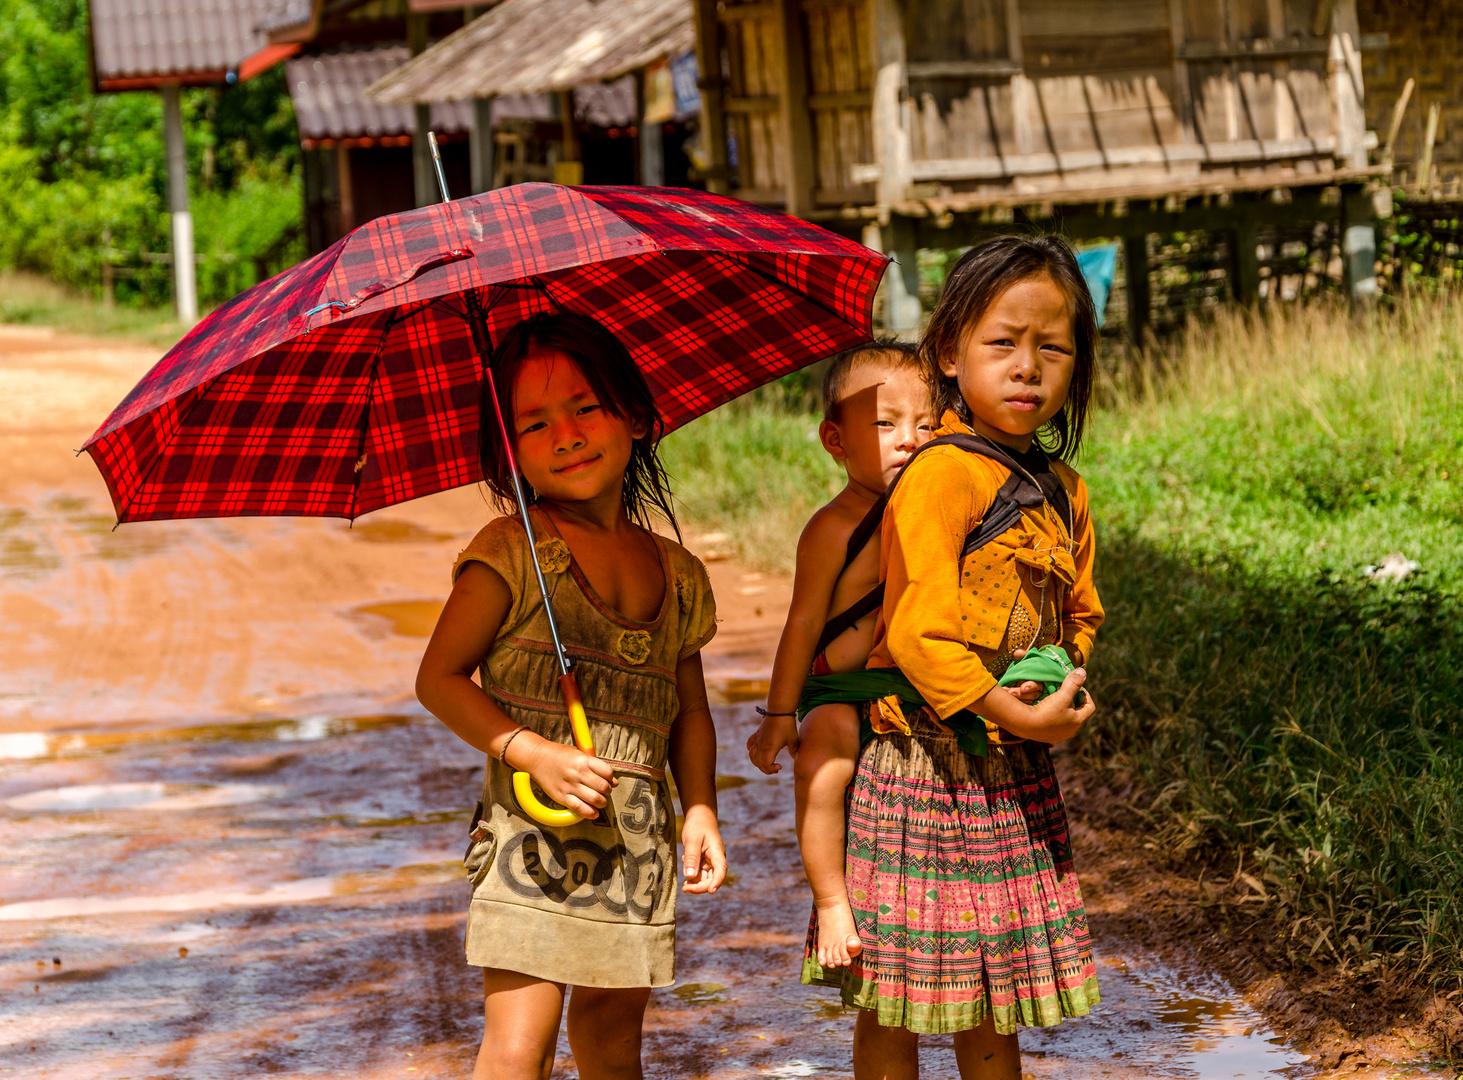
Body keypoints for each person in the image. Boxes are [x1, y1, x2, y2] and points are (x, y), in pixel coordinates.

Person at [808, 235, 1105, 1080]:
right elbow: (917, 635)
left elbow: (1081, 611)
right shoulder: (941, 475)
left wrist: (1064, 689)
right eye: (1001, 343)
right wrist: (1015, 712)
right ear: (948, 352)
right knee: (895, 1000)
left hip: (1010, 774)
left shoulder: (1064, 488)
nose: (1027, 367)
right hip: (919, 770)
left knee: (992, 997)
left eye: (1051, 347)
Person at [415, 312, 727, 1080]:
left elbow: (689, 708)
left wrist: (699, 807)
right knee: (519, 1048)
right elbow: (438, 678)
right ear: (508, 454)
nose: (566, 435)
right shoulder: (509, 554)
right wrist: (531, 750)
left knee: (614, 1037)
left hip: (635, 842)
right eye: (534, 423)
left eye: (585, 407)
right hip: (530, 838)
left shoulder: (679, 572)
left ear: (634, 414)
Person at [745, 341, 935, 970]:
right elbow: (801, 623)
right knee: (821, 770)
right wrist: (779, 713)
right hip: (841, 688)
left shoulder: (940, 512)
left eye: (926, 424)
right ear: (835, 440)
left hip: (916, 683)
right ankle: (832, 901)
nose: (908, 439)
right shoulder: (832, 527)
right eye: (885, 424)